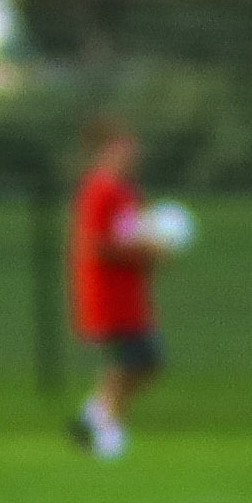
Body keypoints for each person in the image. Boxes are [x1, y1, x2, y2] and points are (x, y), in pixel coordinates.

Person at [70, 122, 162, 461]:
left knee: (146, 363)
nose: (131, 155)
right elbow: (94, 244)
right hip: (106, 294)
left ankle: (92, 417)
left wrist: (156, 250)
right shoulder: (98, 191)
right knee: (135, 359)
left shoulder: (128, 193)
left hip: (132, 294)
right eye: (123, 148)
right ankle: (107, 433)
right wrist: (142, 251)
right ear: (105, 152)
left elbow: (138, 234)